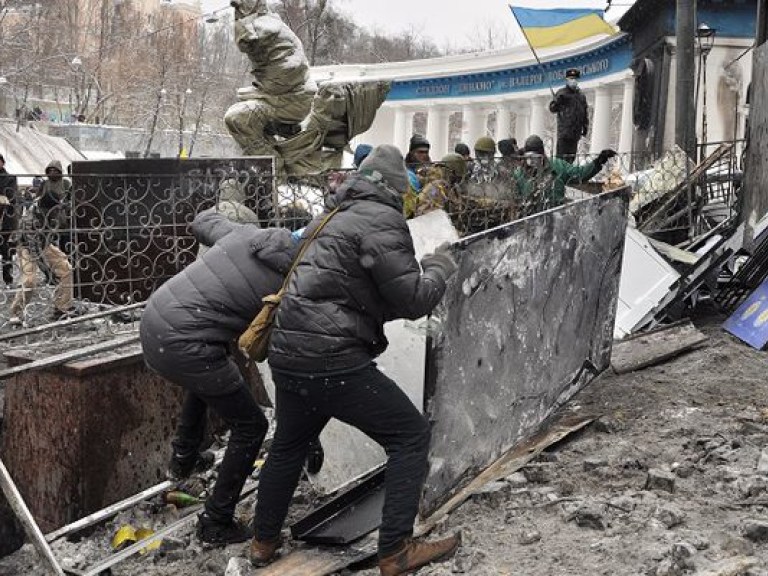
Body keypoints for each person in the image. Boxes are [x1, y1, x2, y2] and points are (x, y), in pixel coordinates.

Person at [249, 145, 461, 574]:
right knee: (410, 437)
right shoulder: (383, 221)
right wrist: (439, 266)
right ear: (396, 188)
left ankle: (263, 542)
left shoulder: (330, 217)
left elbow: (344, 286)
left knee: (289, 445)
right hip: (332, 358)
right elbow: (415, 299)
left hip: (289, 353)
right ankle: (397, 551)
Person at [140, 211, 298, 546]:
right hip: (185, 341)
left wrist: (230, 223)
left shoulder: (245, 235)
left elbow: (200, 221)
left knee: (210, 374)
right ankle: (216, 520)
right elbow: (287, 361)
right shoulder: (294, 282)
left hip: (155, 320)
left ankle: (184, 459)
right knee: (251, 426)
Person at [9, 161, 75, 325]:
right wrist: (48, 272)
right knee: (30, 280)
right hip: (27, 246)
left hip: (44, 243)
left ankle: (61, 307)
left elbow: (60, 227)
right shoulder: (32, 217)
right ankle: (16, 313)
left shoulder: (56, 210)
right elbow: (34, 247)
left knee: (66, 269)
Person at [513, 135, 616, 213]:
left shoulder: (557, 166)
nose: (532, 161)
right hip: (529, 220)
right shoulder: (519, 174)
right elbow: (514, 200)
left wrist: (598, 161)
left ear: (542, 154)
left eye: (536, 157)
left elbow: (579, 174)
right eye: (529, 157)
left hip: (556, 217)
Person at [549, 68, 590, 162]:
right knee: (561, 161)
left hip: (575, 134)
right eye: (571, 79)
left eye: (575, 79)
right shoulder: (562, 93)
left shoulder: (581, 96)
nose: (573, 81)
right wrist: (557, 102)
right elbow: (552, 108)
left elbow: (584, 113)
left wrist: (585, 126)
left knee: (571, 160)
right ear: (567, 80)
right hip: (564, 134)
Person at [0, 154, 18, 287]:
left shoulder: (10, 178)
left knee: (5, 249)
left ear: (2, 163)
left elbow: (10, 196)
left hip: (5, 219)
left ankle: (8, 278)